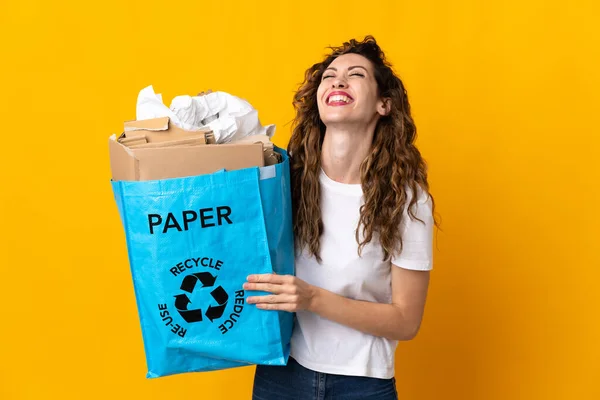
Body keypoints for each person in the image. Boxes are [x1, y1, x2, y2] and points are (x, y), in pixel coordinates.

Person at [243, 35, 438, 400]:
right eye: (329, 76)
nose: (337, 81)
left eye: (356, 75)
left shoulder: (406, 200)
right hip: (281, 374)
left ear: (384, 104)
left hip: (362, 384)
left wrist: (313, 299)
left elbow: (406, 321)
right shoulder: (285, 181)